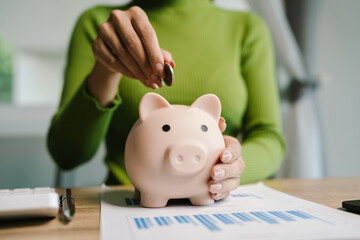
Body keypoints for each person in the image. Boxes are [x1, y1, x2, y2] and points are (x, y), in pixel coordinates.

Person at [47, 0, 285, 201]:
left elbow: (269, 137)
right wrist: (107, 67)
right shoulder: (100, 26)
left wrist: (230, 165)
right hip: (130, 199)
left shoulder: (247, 28)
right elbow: (67, 154)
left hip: (218, 197)